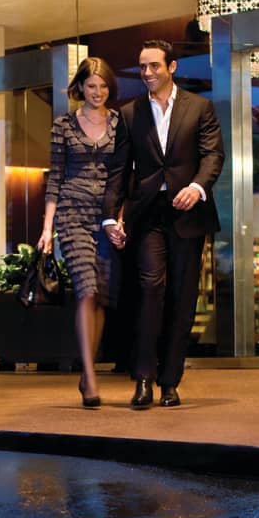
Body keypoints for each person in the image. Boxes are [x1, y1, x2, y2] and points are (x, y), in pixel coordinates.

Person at [103, 40, 225, 408]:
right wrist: (111, 215)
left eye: (154, 66)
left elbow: (213, 155)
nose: (147, 73)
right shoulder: (128, 113)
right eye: (142, 67)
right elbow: (119, 170)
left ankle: (170, 382)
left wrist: (197, 187)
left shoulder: (200, 107)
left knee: (182, 298)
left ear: (171, 67)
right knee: (150, 289)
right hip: (147, 214)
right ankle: (143, 379)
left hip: (188, 212)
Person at [38, 56, 122, 408]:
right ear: (80, 88)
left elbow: (124, 176)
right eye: (91, 86)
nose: (98, 92)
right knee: (86, 289)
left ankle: (88, 369)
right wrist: (47, 228)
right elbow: (55, 177)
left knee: (100, 296)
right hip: (71, 213)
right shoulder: (63, 125)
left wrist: (120, 219)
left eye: (103, 86)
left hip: (106, 216)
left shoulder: (121, 123)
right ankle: (90, 376)